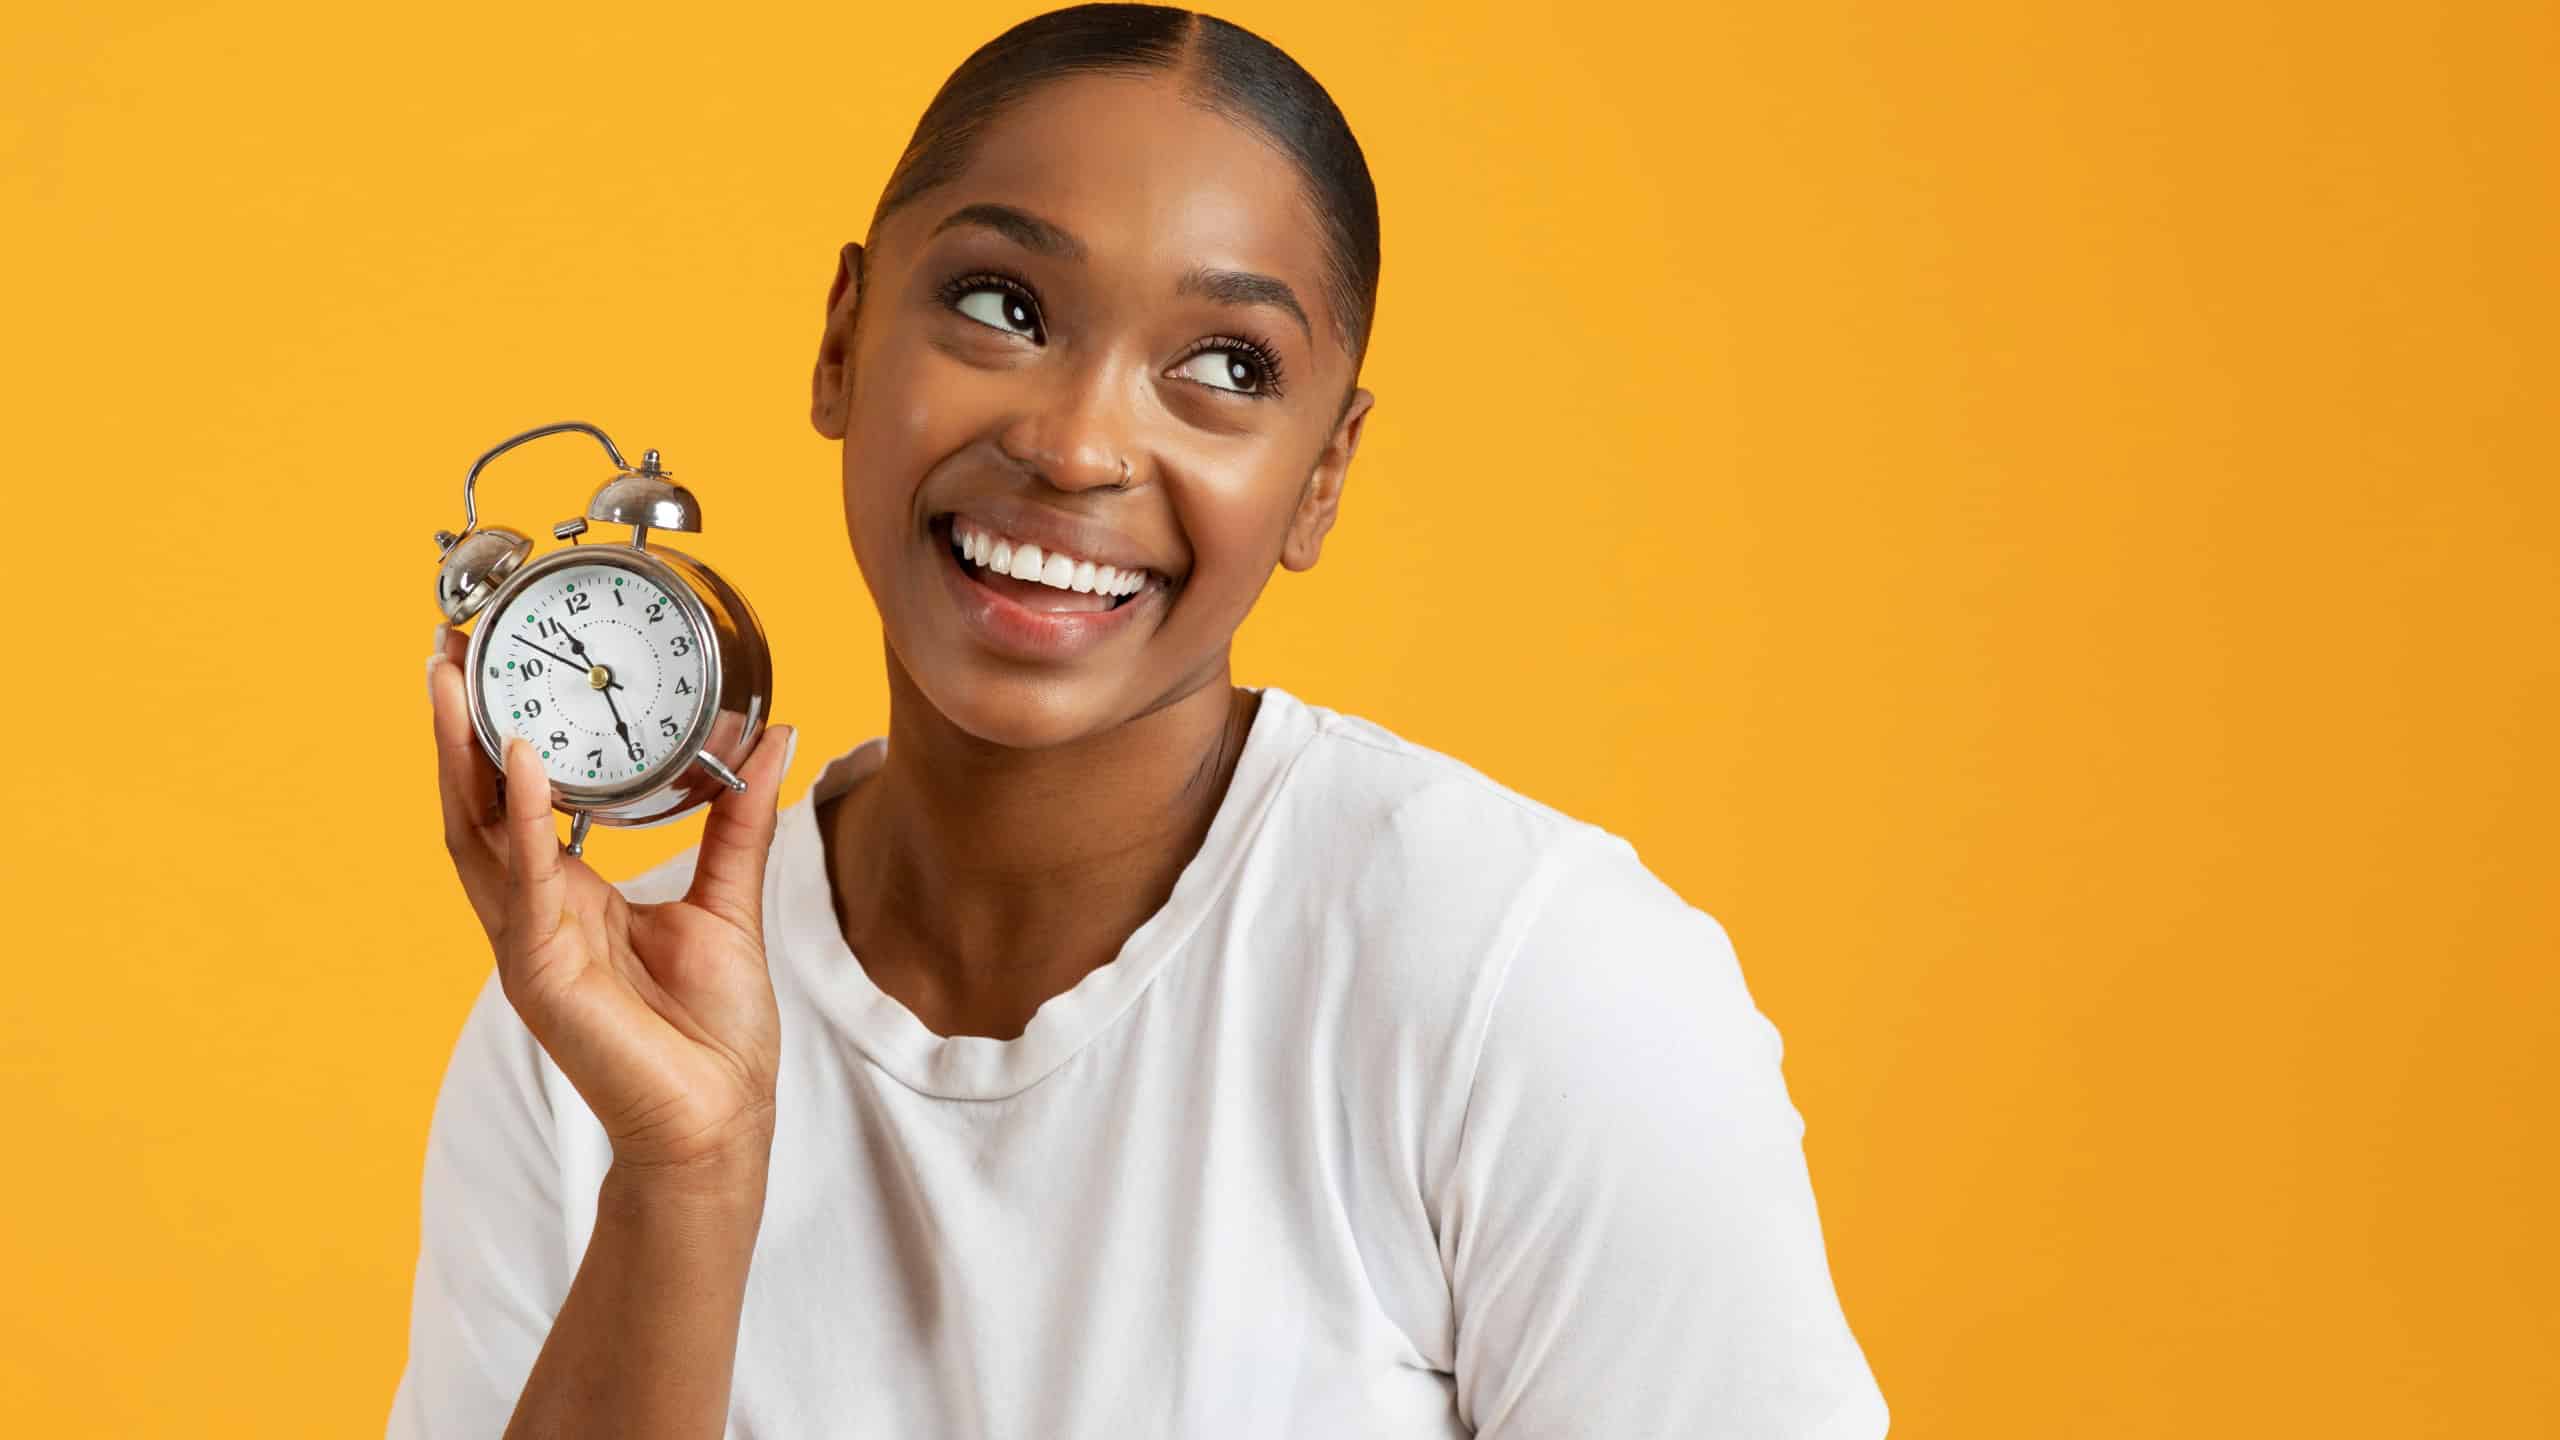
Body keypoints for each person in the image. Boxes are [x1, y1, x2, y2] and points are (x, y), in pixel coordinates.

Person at [393, 5, 1889, 1435]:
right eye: (1004, 307)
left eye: (1228, 368)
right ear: (844, 337)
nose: (1080, 443)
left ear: (1323, 474)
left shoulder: (1529, 985)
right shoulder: (591, 1027)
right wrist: (685, 1172)